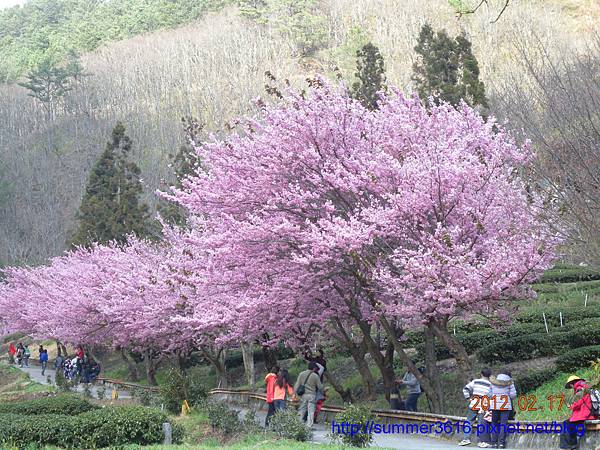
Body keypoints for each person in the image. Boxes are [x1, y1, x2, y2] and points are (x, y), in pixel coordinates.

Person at [559, 375, 598, 450]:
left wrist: (569, 405)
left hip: (584, 415)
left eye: (570, 386)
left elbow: (576, 404)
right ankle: (571, 445)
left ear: (572, 383)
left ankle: (570, 446)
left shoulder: (580, 389)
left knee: (566, 424)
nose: (571, 387)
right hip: (589, 414)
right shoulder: (585, 387)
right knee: (567, 423)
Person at [459, 368, 493, 448]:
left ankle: (466, 439)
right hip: (483, 407)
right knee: (481, 424)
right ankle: (480, 441)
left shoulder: (475, 381)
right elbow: (491, 397)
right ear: (490, 376)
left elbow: (465, 389)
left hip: (474, 404)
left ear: (481, 374)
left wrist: (468, 398)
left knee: (469, 421)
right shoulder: (491, 385)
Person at [489, 370, 517, 449]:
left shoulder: (493, 382)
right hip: (505, 406)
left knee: (494, 423)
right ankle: (501, 443)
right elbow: (513, 395)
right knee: (503, 424)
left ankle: (494, 443)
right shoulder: (510, 383)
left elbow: (489, 394)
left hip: (494, 405)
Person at [294, 361, 323, 429]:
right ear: (314, 368)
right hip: (312, 395)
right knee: (311, 411)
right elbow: (320, 387)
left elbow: (297, 384)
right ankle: (309, 425)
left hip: (303, 395)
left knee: (301, 409)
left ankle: (298, 423)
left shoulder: (301, 374)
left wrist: (294, 393)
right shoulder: (315, 376)